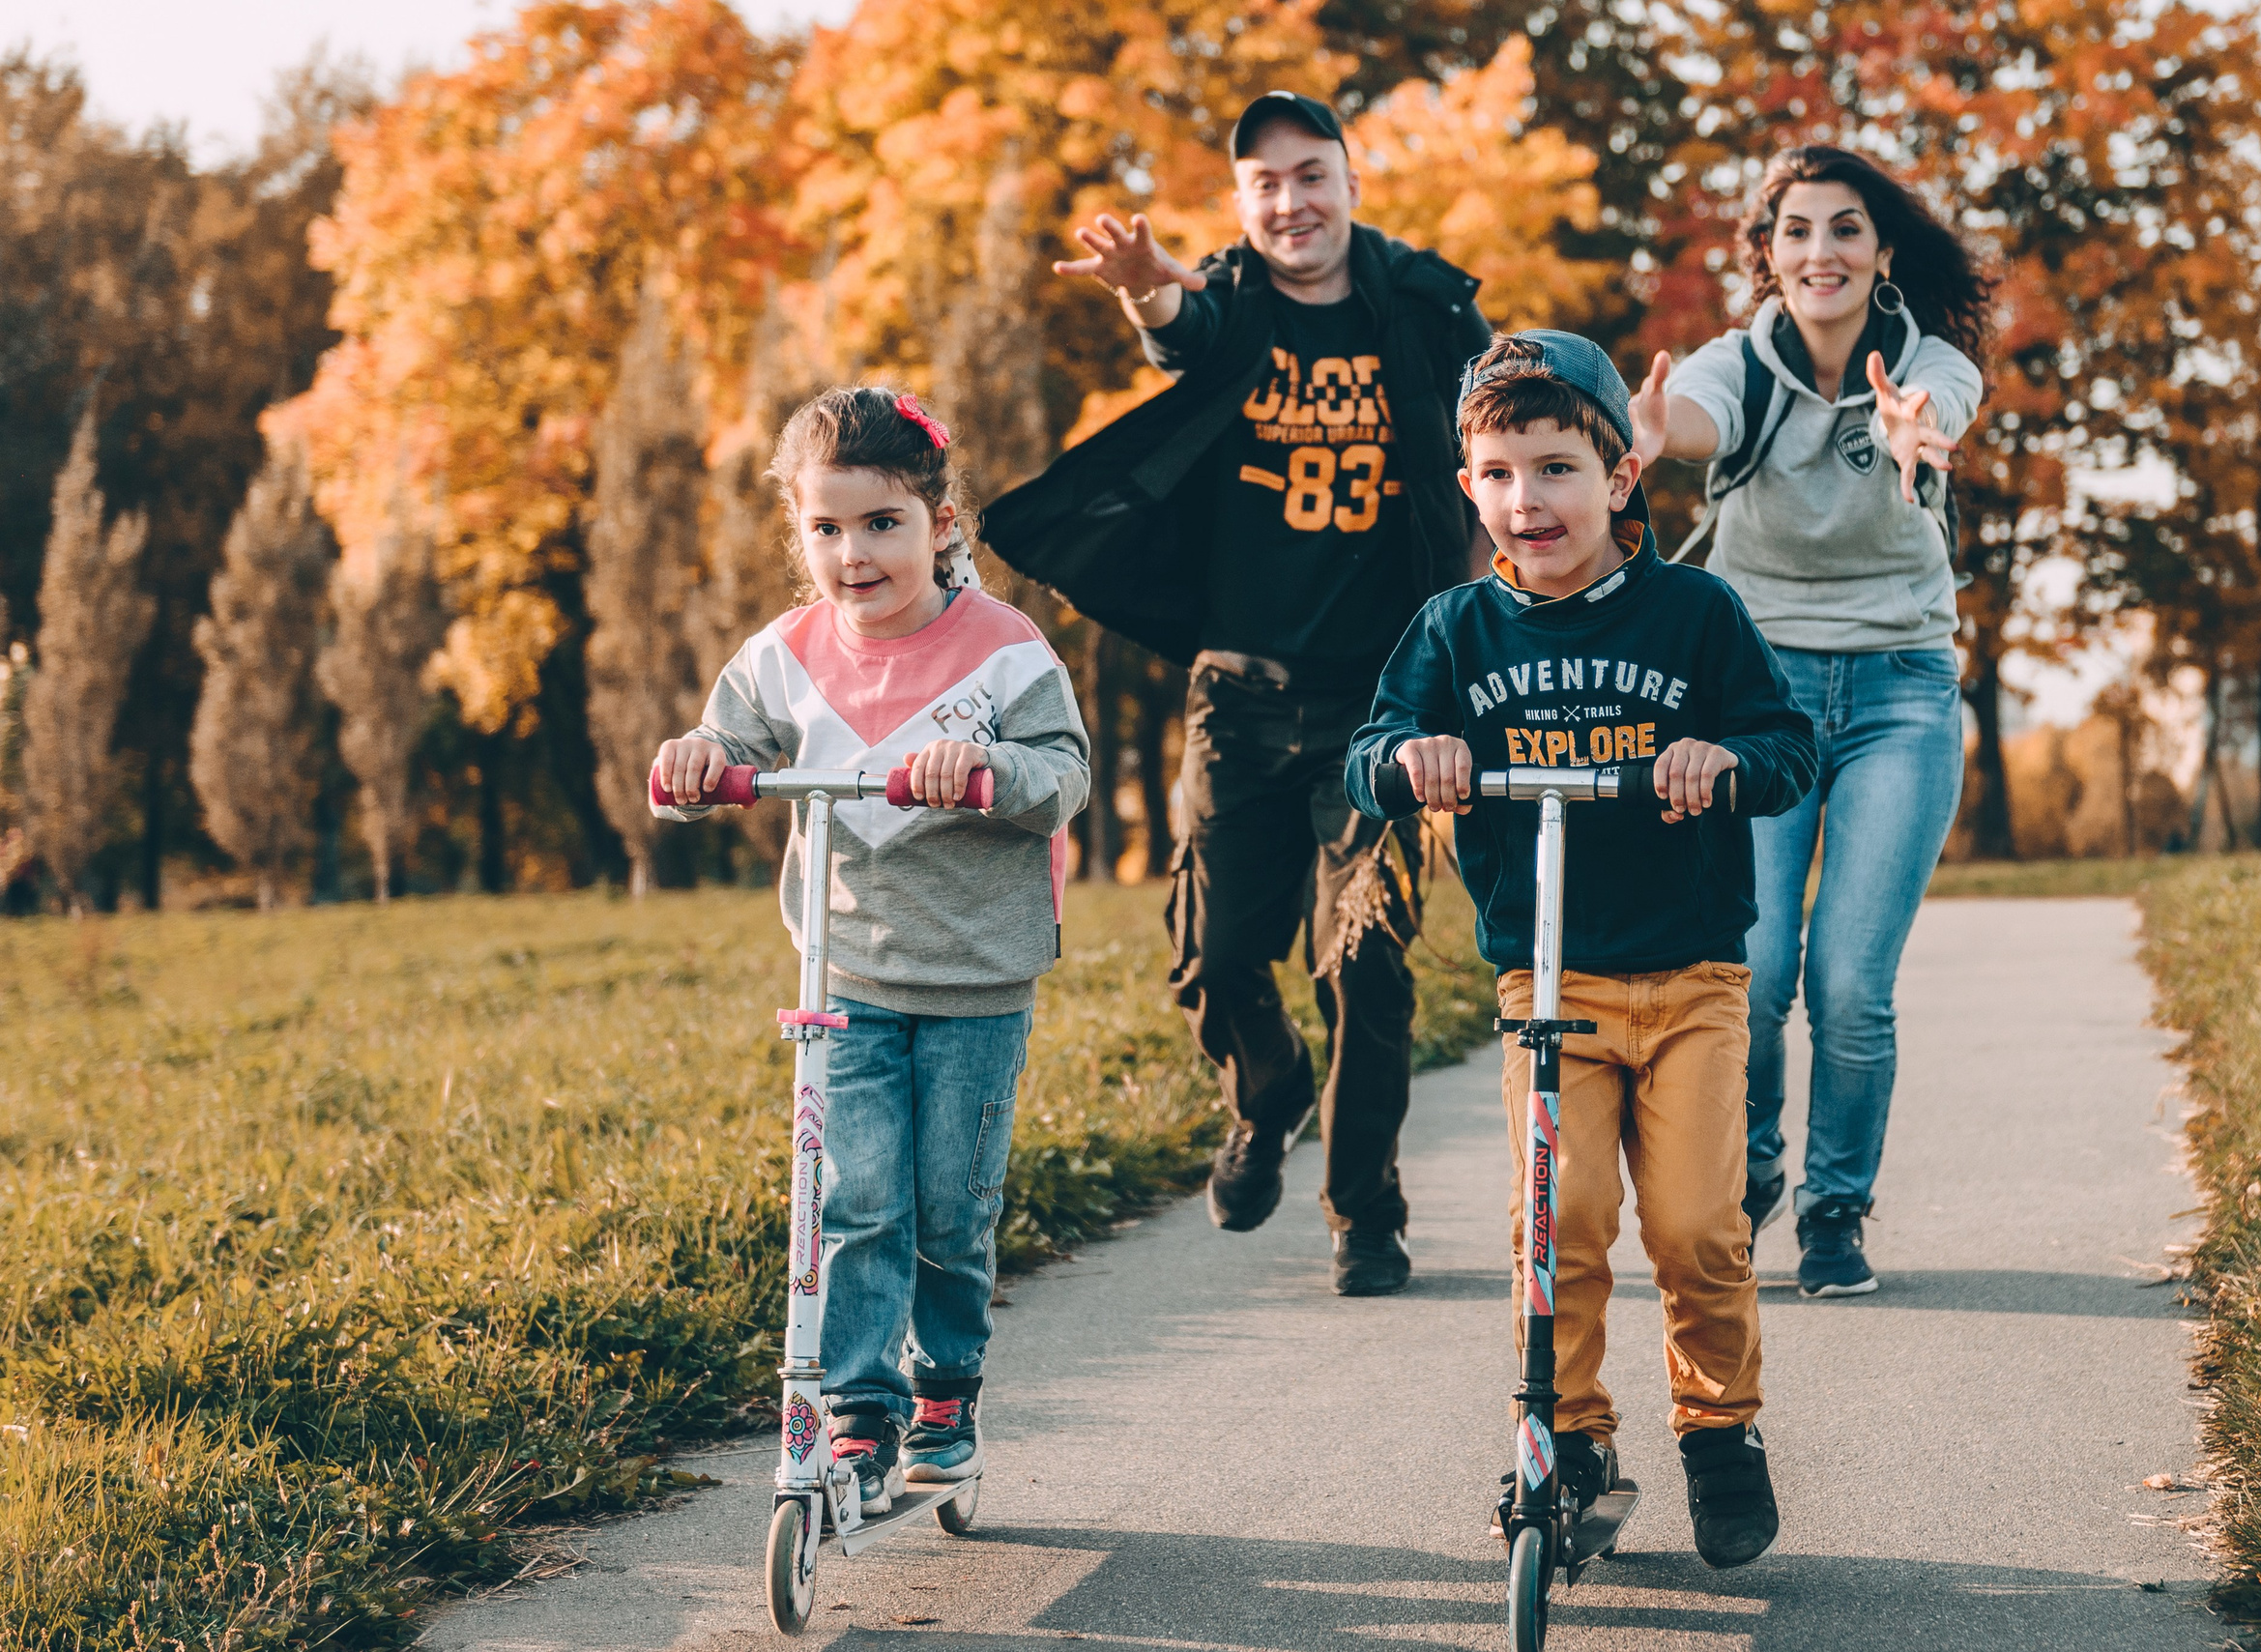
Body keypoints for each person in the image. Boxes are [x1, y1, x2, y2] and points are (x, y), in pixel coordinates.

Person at [980, 91, 1493, 1295]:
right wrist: (1145, 291)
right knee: (1212, 956)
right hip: (1238, 695)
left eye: (1310, 174)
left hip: (1381, 706)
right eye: (1265, 184)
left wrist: (1473, 625)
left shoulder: (1425, 305)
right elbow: (1184, 330)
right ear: (1242, 202)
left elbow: (1491, 446)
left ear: (1349, 182)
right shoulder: (1232, 299)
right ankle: (1266, 1096)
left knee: (1363, 963)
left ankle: (1366, 1212)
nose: (1290, 202)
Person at [1345, 333, 1818, 1568]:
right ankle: (1569, 1435)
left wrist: (1721, 758)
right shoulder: (1455, 630)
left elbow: (1786, 749)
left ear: (1618, 477)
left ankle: (1718, 1429)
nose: (1528, 499)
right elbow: (1370, 751)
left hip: (1692, 976)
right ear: (1469, 488)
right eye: (1499, 474)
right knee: (1560, 1222)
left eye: (1556, 468)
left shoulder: (1696, 613)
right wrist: (1411, 758)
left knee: (1697, 1225)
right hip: (1546, 982)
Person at [652, 386, 1090, 1517]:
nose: (854, 553)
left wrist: (989, 767)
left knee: (949, 1205)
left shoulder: (1004, 650)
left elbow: (1064, 774)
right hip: (843, 973)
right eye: (827, 527)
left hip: (975, 978)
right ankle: (857, 1409)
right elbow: (722, 746)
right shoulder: (784, 655)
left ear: (939, 522)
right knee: (851, 1201)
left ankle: (945, 1392)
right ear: (799, 533)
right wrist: (693, 763)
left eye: (882, 523)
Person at [1627, 146, 1992, 1298]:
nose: (1819, 250)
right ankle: (1752, 1170)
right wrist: (1656, 429)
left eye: (1844, 228)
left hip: (1900, 693)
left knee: (1846, 980)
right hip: (1759, 695)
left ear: (1881, 253)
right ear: (1768, 253)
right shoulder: (1740, 362)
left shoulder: (1926, 364)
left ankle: (1835, 1210)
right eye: (1796, 230)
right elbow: (1698, 414)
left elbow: (1940, 409)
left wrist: (1911, 428)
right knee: (1754, 966)